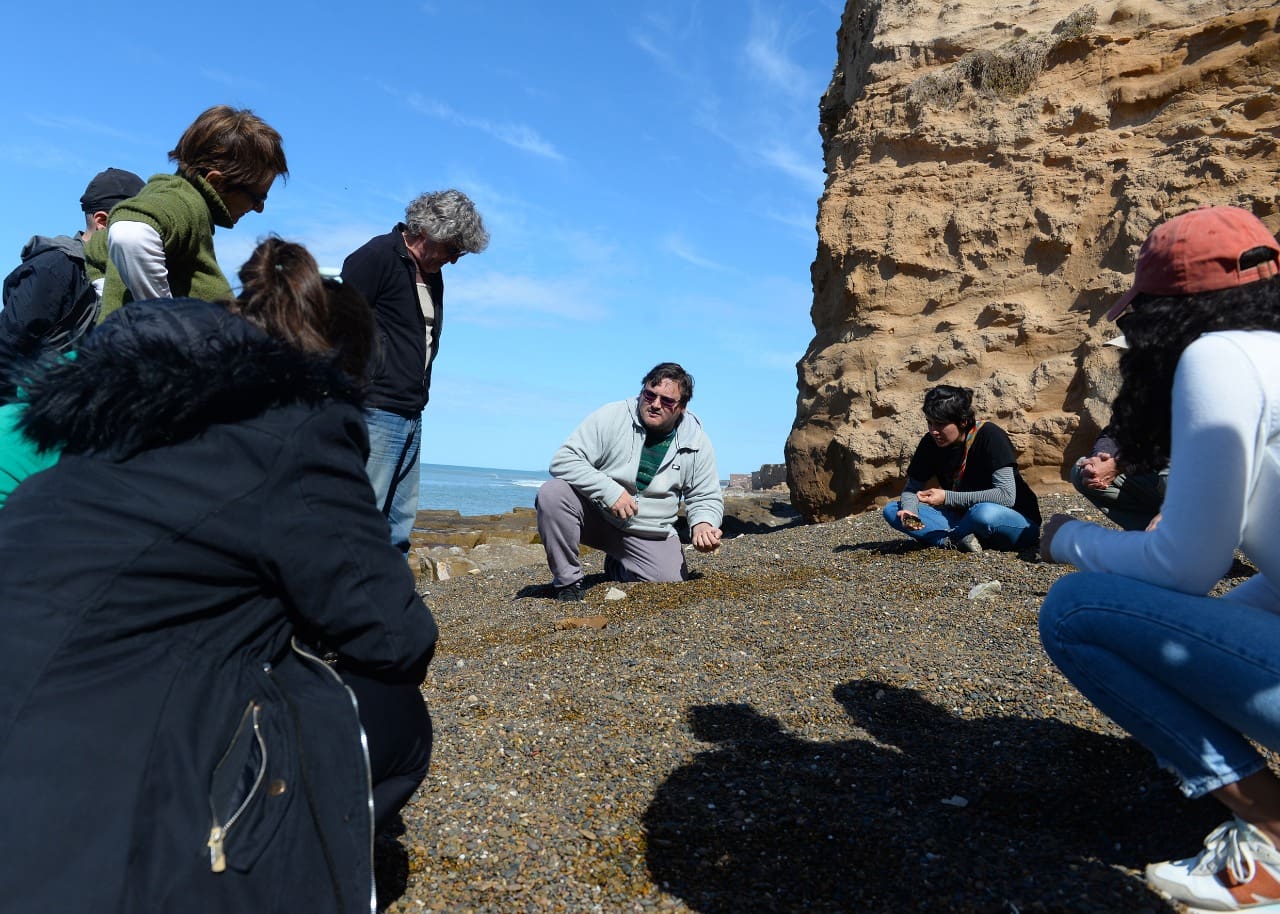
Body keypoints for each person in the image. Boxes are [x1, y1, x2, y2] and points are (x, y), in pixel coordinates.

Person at [0, 238, 438, 913]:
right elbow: (395, 636)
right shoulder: (297, 429)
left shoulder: (125, 408)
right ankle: (246, 868)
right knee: (395, 718)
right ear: (342, 372)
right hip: (73, 789)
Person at [1037, 205, 1280, 913]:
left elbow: (1184, 567)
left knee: (1076, 613)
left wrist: (1066, 541)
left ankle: (1271, 834)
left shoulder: (1220, 355)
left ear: (1167, 314)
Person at [341, 189, 489, 555]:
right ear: (429, 231)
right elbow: (337, 328)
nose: (454, 260)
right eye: (454, 248)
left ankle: (391, 603)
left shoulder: (432, 273)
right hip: (375, 408)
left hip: (411, 411)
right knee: (364, 519)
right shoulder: (376, 257)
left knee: (399, 526)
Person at [535, 362, 724, 601]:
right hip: (599, 517)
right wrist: (609, 491)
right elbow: (563, 460)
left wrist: (703, 524)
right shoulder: (611, 416)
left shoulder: (697, 442)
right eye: (649, 395)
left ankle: (618, 565)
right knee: (552, 494)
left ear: (682, 408)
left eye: (666, 401)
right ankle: (568, 582)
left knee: (668, 586)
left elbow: (704, 495)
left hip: (649, 532)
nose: (655, 405)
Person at [100, 105, 287, 320]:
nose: (260, 209)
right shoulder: (183, 201)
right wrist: (164, 322)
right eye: (258, 197)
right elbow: (129, 234)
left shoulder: (179, 201)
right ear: (217, 182)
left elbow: (97, 249)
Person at [0, 167, 144, 356]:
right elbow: (7, 349)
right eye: (140, 225)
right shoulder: (55, 269)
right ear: (102, 221)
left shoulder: (127, 278)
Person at [881, 384, 1041, 553]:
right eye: (930, 423)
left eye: (940, 424)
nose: (934, 431)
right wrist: (910, 512)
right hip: (961, 519)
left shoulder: (990, 436)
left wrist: (947, 497)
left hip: (1014, 521)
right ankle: (955, 540)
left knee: (983, 512)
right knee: (892, 510)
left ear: (963, 421)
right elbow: (911, 489)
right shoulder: (930, 443)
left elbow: (1006, 496)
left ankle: (951, 538)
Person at [1070, 424, 1167, 531]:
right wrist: (1102, 459)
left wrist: (1120, 463)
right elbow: (1116, 430)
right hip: (1156, 480)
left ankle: (1174, 525)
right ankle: (1147, 532)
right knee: (1083, 473)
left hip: (1182, 482)